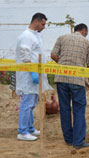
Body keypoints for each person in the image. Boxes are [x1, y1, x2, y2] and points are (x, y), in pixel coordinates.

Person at [51, 23, 89, 149]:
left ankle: (69, 139)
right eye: (86, 33)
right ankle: (78, 142)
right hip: (77, 81)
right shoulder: (87, 43)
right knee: (79, 110)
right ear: (83, 31)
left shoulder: (62, 38)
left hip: (61, 78)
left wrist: (64, 64)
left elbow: (53, 55)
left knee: (65, 109)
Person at [15, 12, 52, 141]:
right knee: (27, 103)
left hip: (34, 76)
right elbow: (25, 54)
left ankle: (29, 128)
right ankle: (22, 131)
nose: (43, 27)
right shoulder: (27, 36)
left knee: (32, 103)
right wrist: (32, 72)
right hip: (28, 76)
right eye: (42, 24)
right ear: (36, 22)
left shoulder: (35, 36)